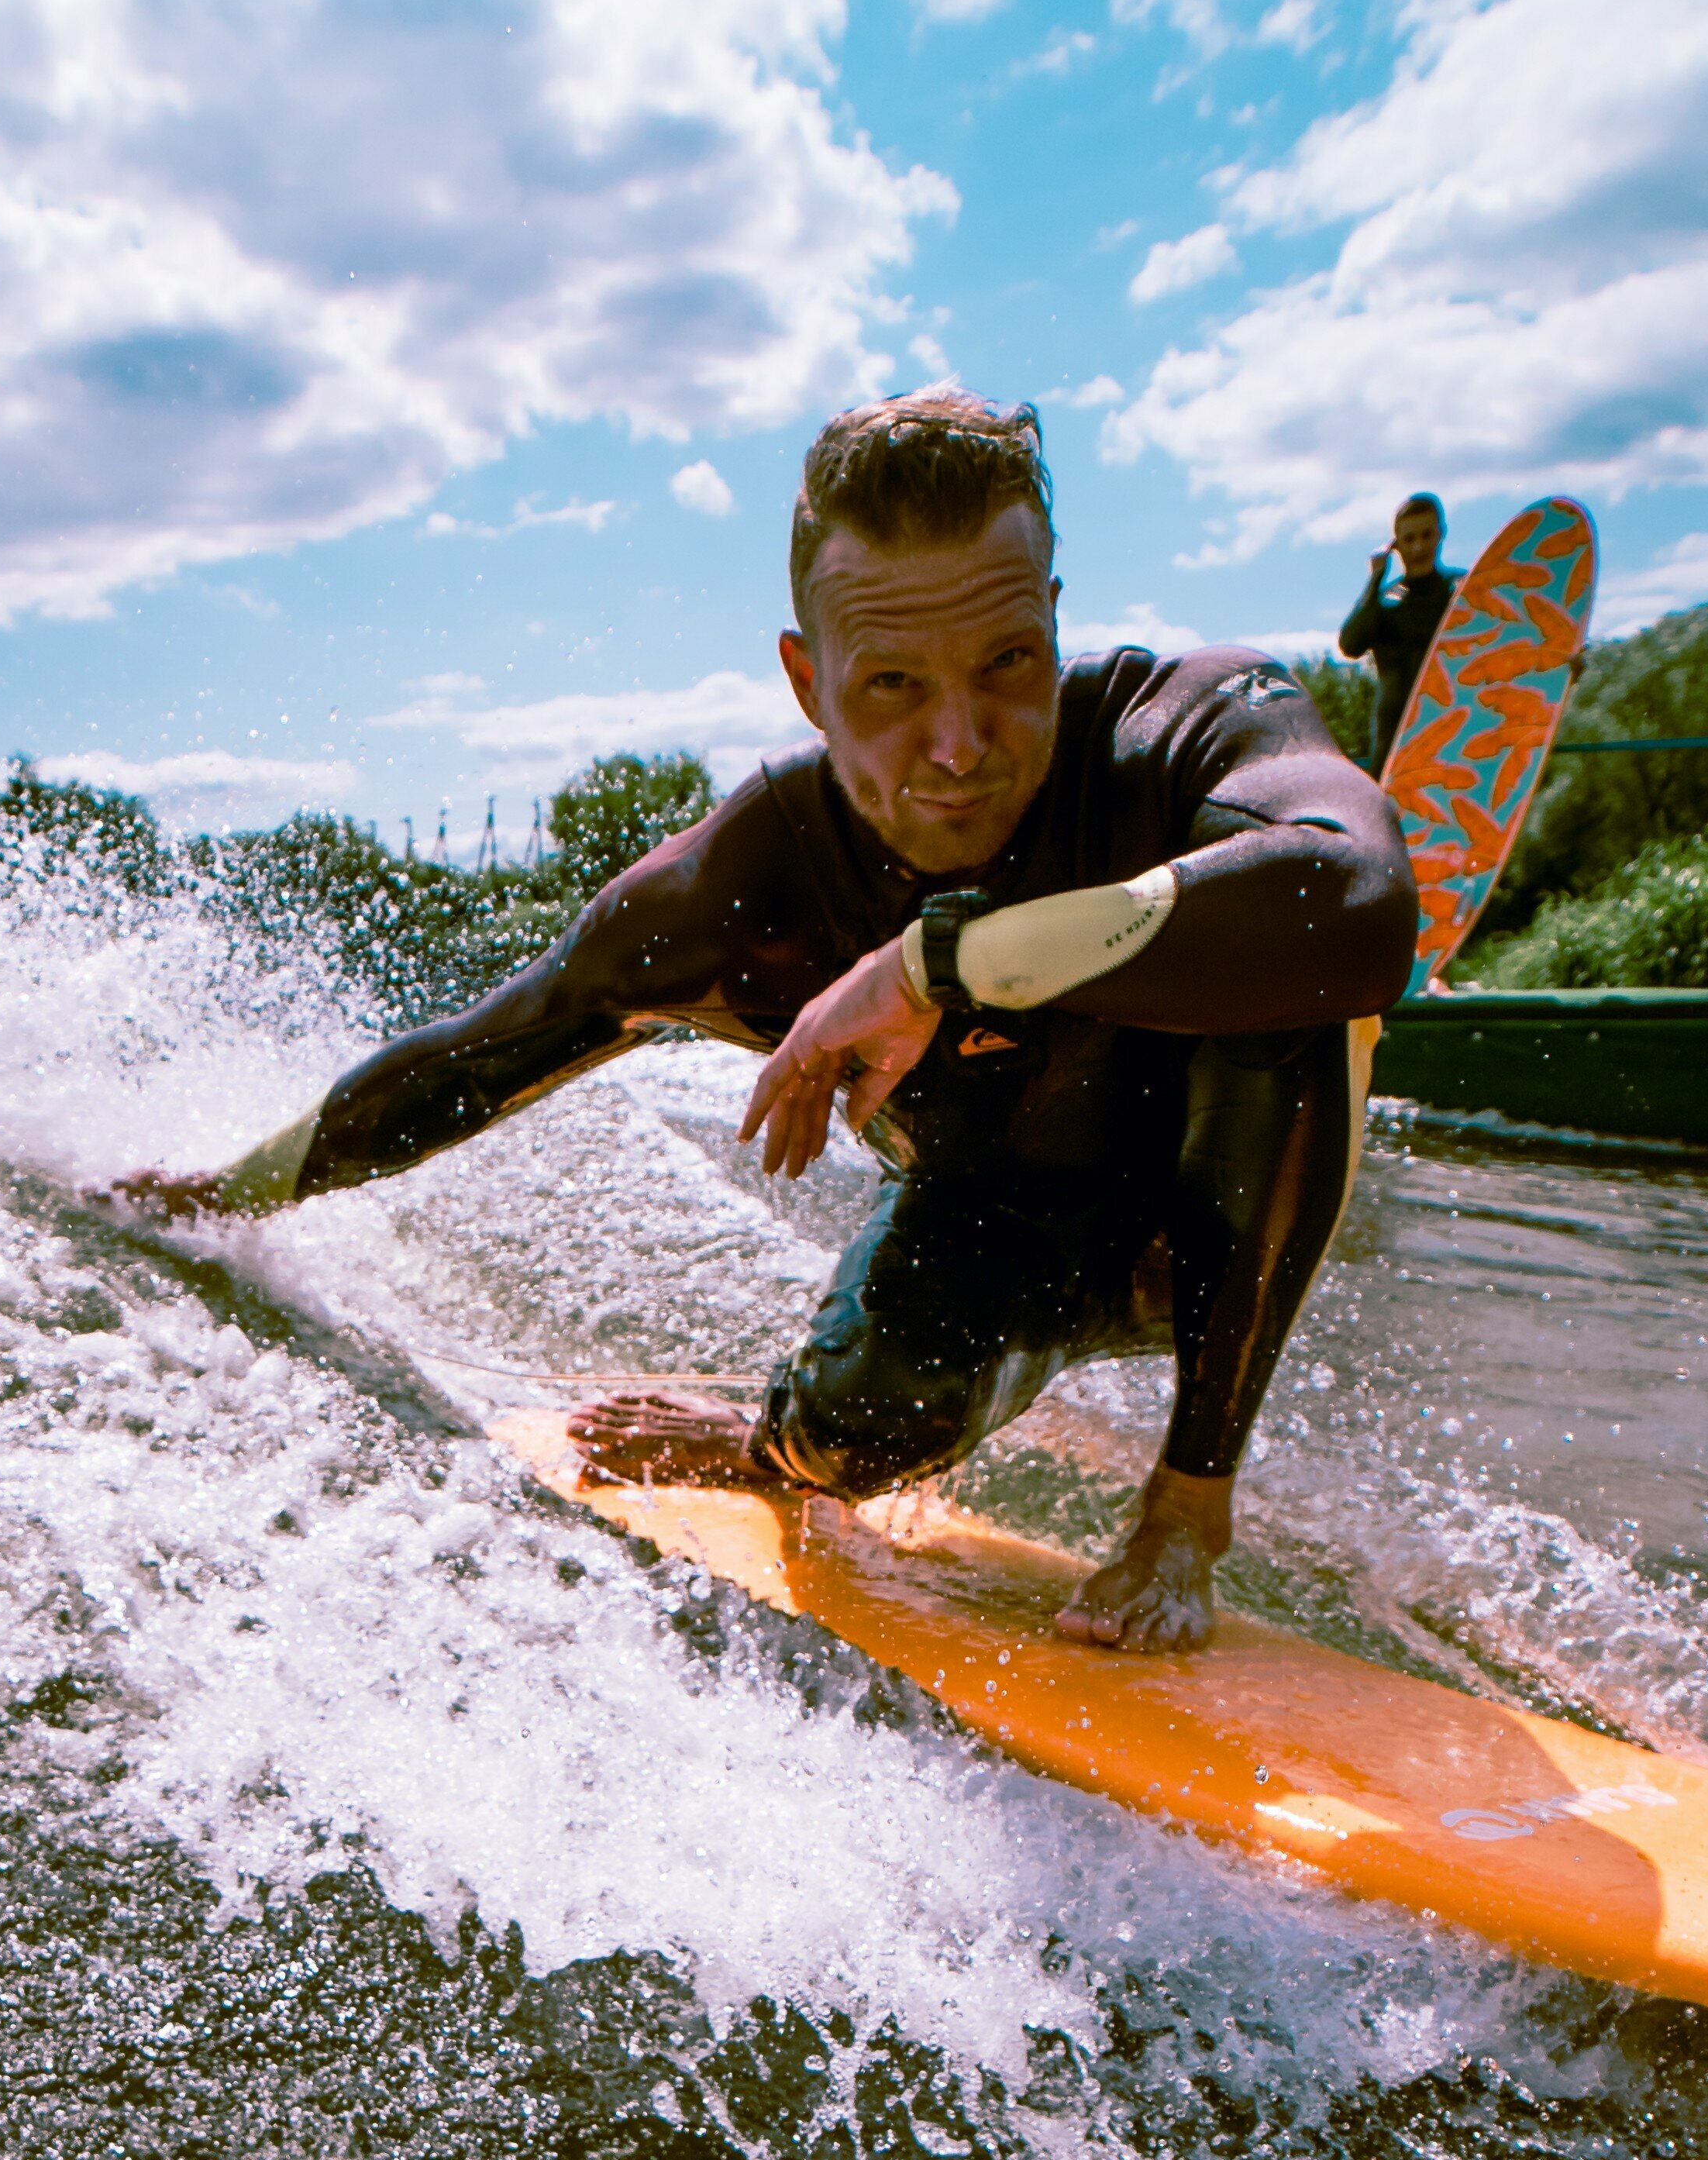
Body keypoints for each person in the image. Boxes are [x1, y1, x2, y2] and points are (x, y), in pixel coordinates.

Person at [113, 391, 1414, 1651]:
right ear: (808, 679)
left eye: (1006, 664)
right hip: (997, 1230)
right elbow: (479, 1053)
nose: (959, 744)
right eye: (893, 684)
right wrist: (228, 1194)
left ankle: (1188, 1503)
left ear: (1054, 625)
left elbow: (1359, 901)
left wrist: (932, 962)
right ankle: (763, 1441)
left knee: (1295, 979)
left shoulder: (1179, 727)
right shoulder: (748, 892)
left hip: (1231, 1209)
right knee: (853, 1435)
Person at [1338, 493, 1461, 770]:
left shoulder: (1462, 592)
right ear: (1396, 545)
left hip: (1452, 735)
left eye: (1427, 535)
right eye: (1409, 539)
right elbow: (1350, 644)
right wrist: (1375, 578)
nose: (1418, 547)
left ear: (1440, 535)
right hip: (1393, 742)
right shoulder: (1383, 602)